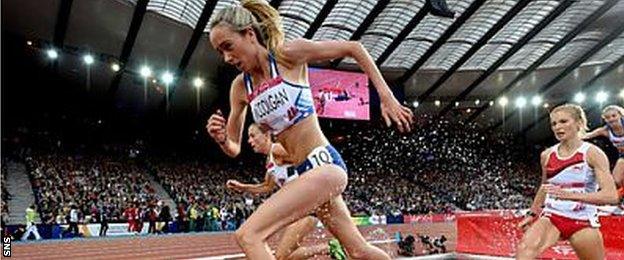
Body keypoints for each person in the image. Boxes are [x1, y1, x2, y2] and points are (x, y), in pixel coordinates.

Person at [206, 0, 412, 258]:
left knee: (248, 235)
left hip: (323, 165)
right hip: (301, 175)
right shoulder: (240, 87)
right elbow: (234, 148)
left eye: (228, 46)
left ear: (249, 34)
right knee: (359, 251)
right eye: (220, 52)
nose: (226, 58)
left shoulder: (287, 55)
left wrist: (387, 96)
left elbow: (353, 48)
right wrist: (222, 139)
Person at [226, 124, 346, 259]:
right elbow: (266, 186)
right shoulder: (270, 160)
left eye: (253, 136)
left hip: (307, 208)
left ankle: (330, 247)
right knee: (286, 256)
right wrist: (242, 187)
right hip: (300, 208)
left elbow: (305, 155)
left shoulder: (277, 149)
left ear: (266, 135)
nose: (249, 141)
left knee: (279, 255)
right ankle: (329, 247)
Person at [516, 104, 619, 260]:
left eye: (564, 121)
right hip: (552, 217)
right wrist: (532, 213)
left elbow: (611, 196)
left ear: (579, 123)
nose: (558, 127)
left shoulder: (592, 153)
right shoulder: (547, 155)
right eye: (554, 124)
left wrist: (571, 196)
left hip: (582, 220)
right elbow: (545, 187)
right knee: (525, 250)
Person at [584, 105, 624, 192]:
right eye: (607, 117)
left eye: (614, 116)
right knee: (616, 180)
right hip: (622, 155)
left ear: (620, 115)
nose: (611, 119)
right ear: (605, 120)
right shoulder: (605, 131)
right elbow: (587, 135)